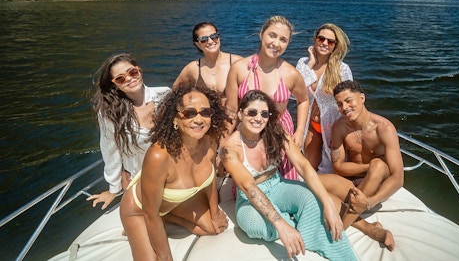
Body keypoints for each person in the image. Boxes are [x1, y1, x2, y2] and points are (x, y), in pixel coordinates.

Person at [219, 90, 356, 261]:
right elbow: (248, 187)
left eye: (264, 113)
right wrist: (281, 225)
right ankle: (294, 222)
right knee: (254, 225)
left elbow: (302, 165)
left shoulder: (276, 131)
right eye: (252, 112)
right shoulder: (230, 148)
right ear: (241, 113)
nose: (258, 118)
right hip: (249, 198)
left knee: (313, 200)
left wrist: (327, 202)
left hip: (277, 185)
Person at [119, 84, 229, 260]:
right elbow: (150, 213)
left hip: (172, 204)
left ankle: (169, 217)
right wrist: (165, 256)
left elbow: (211, 181)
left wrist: (215, 213)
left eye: (205, 112)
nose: (199, 119)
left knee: (214, 228)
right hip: (141, 210)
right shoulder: (159, 156)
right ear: (175, 119)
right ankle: (152, 223)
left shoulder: (210, 142)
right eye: (189, 113)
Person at [320, 80, 404, 251]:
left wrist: (369, 202)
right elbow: (339, 167)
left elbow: (398, 178)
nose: (345, 107)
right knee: (314, 183)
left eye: (349, 100)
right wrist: (369, 166)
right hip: (352, 184)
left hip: (377, 187)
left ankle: (338, 233)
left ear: (362, 98)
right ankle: (369, 228)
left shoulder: (384, 128)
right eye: (340, 104)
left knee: (379, 166)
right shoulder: (340, 127)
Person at [226, 15, 308, 181]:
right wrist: (225, 143)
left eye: (283, 40)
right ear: (261, 34)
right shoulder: (239, 69)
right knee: (249, 184)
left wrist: (299, 132)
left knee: (286, 181)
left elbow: (303, 100)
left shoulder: (290, 73)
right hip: (248, 130)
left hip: (281, 131)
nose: (276, 44)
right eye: (272, 35)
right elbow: (232, 109)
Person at [87, 54, 170, 210]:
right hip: (140, 182)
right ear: (114, 85)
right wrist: (114, 189)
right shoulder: (110, 113)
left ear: (139, 70)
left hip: (173, 175)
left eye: (132, 72)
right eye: (120, 79)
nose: (129, 79)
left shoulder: (164, 95)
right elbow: (110, 150)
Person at [296, 23, 352, 173]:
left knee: (330, 169)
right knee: (309, 168)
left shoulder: (342, 68)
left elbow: (349, 100)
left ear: (335, 46)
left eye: (330, 41)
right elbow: (294, 92)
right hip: (311, 124)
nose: (325, 43)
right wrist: (311, 63)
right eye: (321, 39)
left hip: (333, 126)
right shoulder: (303, 63)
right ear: (315, 39)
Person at [173, 21, 242, 105]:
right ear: (198, 44)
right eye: (203, 39)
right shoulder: (193, 68)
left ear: (219, 37)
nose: (210, 41)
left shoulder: (237, 62)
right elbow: (175, 91)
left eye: (214, 36)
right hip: (206, 116)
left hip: (232, 116)